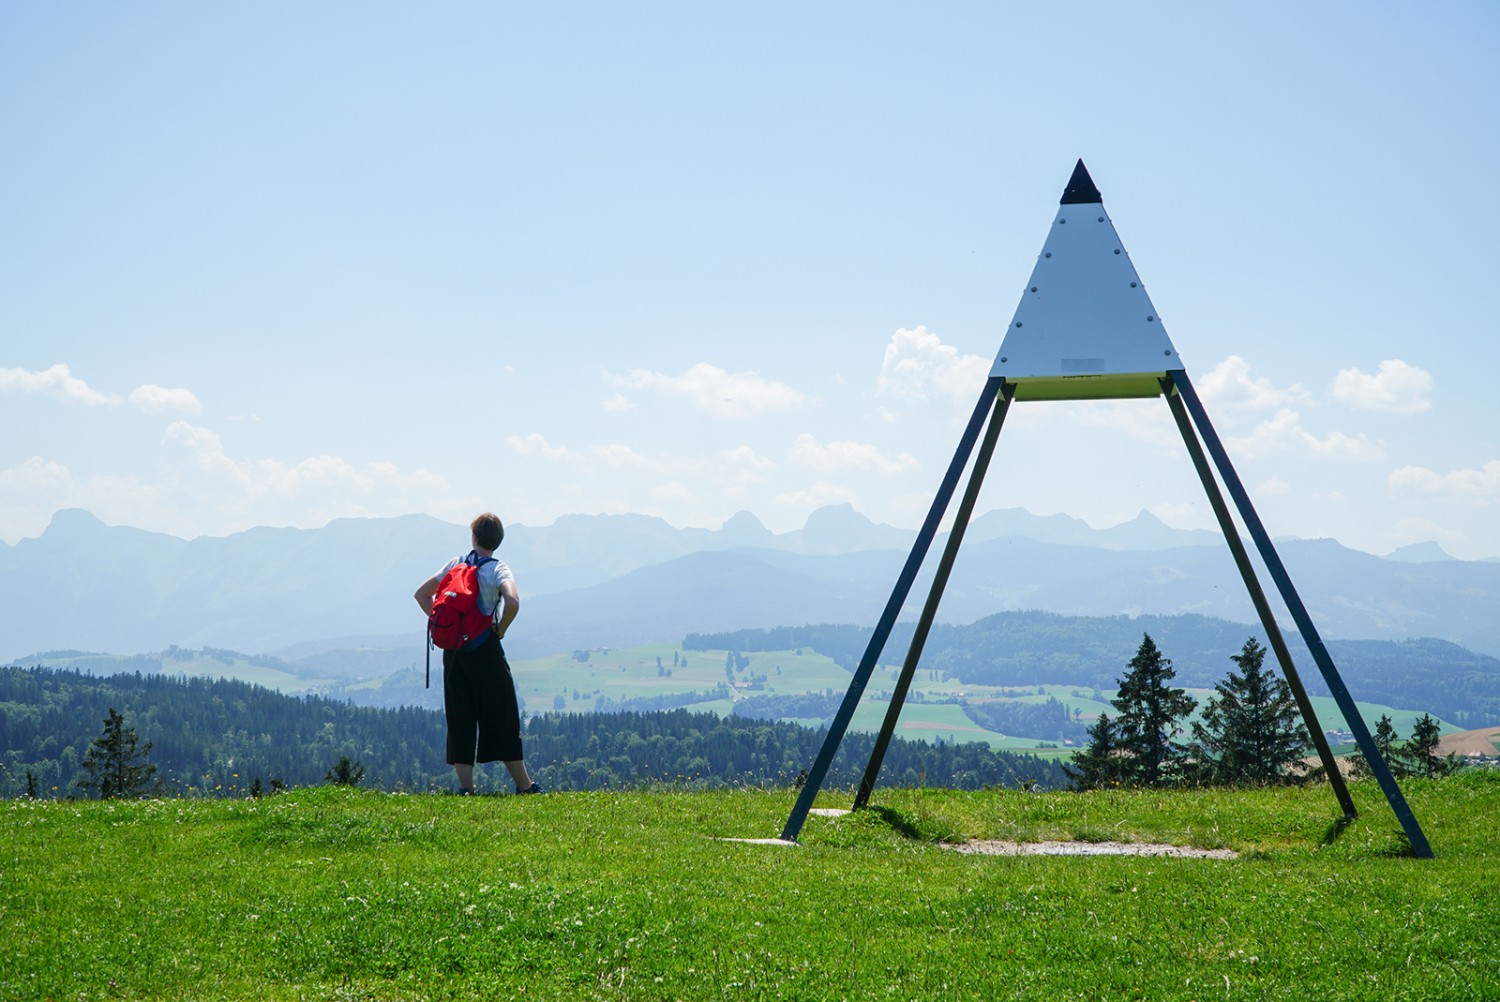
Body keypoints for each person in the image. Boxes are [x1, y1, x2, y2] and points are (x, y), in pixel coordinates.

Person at [414, 512, 542, 795]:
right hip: (485, 649)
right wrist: (502, 629)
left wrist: (442, 626)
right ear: (498, 541)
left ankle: (466, 787)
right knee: (503, 715)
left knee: (460, 717)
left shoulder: (456, 563)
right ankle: (525, 786)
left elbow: (421, 594)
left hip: (454, 653)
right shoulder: (498, 569)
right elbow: (513, 600)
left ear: (473, 537)